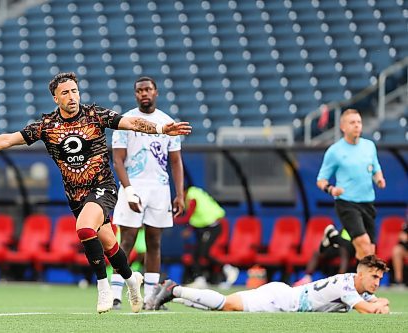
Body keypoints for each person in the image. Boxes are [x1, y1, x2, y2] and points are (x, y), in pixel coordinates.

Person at [0, 72, 191, 313]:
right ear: (56, 98)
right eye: (65, 93)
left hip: (103, 187)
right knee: (110, 245)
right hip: (76, 196)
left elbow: (130, 122)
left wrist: (160, 130)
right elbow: (8, 139)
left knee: (84, 229)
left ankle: (103, 288)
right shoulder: (47, 126)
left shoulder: (96, 115)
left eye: (74, 91)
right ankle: (131, 282)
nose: (72, 96)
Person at [110, 76, 185, 310]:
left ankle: (152, 298)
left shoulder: (167, 122)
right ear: (135, 94)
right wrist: (129, 191)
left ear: (156, 92)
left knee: (154, 241)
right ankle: (115, 294)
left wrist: (179, 193)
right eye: (140, 90)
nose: (144, 93)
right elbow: (118, 160)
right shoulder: (125, 122)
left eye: (148, 89)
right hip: (133, 185)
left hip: (159, 189)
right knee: (127, 239)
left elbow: (176, 162)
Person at [152, 255, 390, 314]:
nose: (377, 282)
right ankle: (175, 288)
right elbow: (369, 309)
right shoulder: (348, 287)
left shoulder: (355, 285)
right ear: (361, 274)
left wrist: (380, 303)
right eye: (374, 277)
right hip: (282, 300)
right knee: (227, 304)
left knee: (225, 309)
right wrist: (380, 304)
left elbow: (375, 304)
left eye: (379, 278)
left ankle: (171, 296)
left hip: (284, 295)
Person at [316, 109, 386, 260]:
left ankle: (334, 238)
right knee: (363, 242)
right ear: (343, 127)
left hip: (367, 203)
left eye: (359, 122)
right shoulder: (334, 151)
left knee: (368, 252)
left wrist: (379, 178)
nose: (357, 126)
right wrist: (331, 189)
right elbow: (321, 179)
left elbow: (376, 168)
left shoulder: (369, 146)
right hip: (346, 202)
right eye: (352, 122)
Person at [175, 185, 239, 288]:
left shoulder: (193, 197)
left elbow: (188, 217)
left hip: (213, 226)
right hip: (206, 227)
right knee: (197, 253)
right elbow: (197, 215)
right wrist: (190, 229)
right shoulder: (195, 194)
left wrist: (171, 220)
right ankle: (200, 279)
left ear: (184, 191)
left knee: (203, 252)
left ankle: (228, 269)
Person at [391, 220, 407, 288]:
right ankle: (398, 281)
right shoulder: (405, 226)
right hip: (406, 250)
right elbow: (401, 238)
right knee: (397, 250)